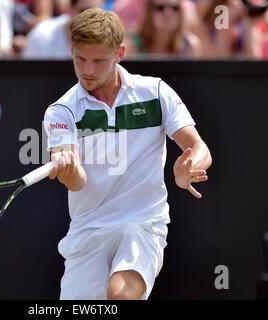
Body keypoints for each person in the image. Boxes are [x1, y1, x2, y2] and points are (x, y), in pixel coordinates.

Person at [43, 8, 212, 300]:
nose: (88, 70)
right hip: (88, 229)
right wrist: (69, 170)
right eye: (80, 59)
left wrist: (187, 168)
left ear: (119, 54)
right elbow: (77, 180)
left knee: (120, 295)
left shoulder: (155, 93)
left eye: (99, 61)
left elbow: (198, 148)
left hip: (142, 222)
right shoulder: (62, 111)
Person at [21, 0, 104, 59]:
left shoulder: (106, 38)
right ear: (70, 9)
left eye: (96, 14)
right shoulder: (42, 35)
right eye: (83, 11)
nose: (89, 19)